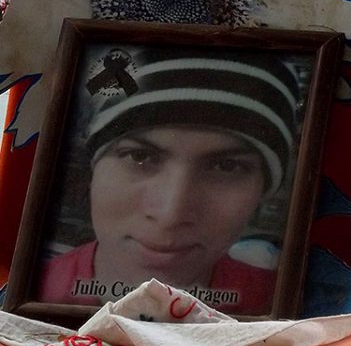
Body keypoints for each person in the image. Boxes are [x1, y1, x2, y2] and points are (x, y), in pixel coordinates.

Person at [37, 50, 302, 316]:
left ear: (263, 189)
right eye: (140, 156)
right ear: (94, 169)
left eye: (226, 166)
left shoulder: (282, 304)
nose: (170, 215)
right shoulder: (33, 291)